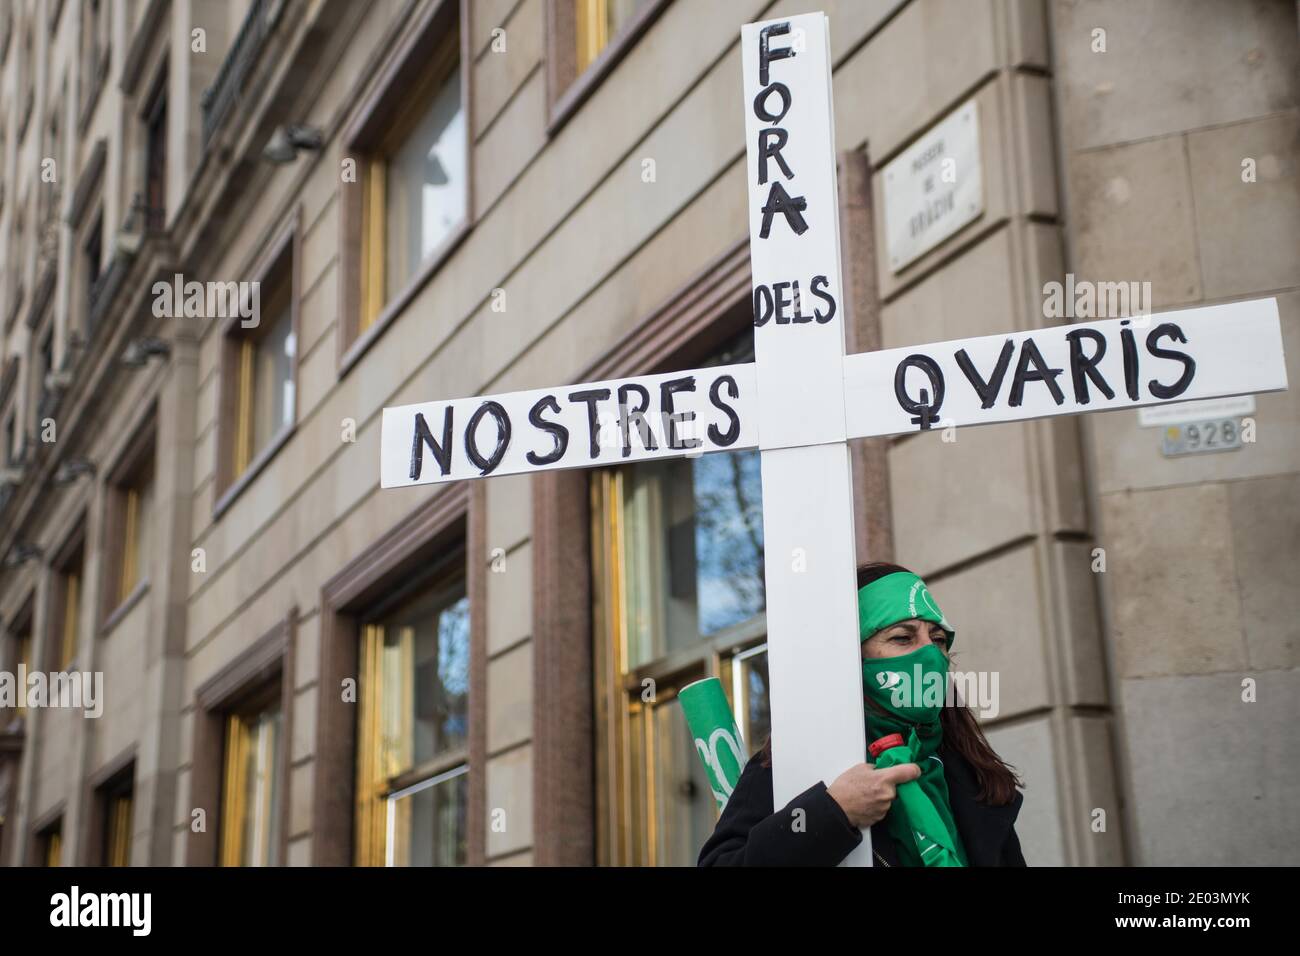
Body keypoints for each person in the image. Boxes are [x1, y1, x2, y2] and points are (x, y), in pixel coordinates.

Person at [698, 562, 1027, 866]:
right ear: (851, 655)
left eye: (938, 639)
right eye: (902, 637)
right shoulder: (791, 764)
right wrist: (833, 812)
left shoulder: (972, 777)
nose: (930, 653)